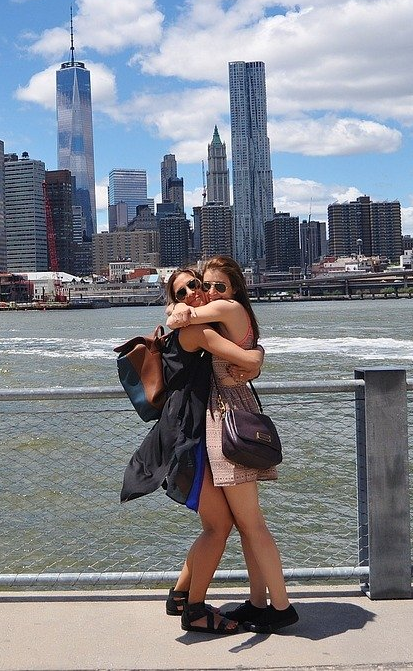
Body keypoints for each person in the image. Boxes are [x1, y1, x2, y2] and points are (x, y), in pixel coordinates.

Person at [166, 255, 298, 633]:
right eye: (202, 285)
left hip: (230, 417)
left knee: (251, 523)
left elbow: (185, 321)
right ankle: (258, 602)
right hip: (229, 414)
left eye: (214, 285)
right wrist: (256, 359)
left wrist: (178, 312)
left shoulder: (225, 308)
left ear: (234, 288)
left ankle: (281, 606)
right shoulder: (222, 315)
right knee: (244, 524)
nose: (207, 292)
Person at [156, 266, 262, 634]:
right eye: (181, 292)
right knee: (219, 527)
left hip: (189, 437)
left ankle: (181, 594)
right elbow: (250, 361)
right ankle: (196, 611)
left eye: (195, 285)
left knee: (214, 525)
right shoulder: (196, 331)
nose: (191, 294)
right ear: (175, 299)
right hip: (187, 442)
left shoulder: (192, 324)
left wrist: (177, 311)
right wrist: (257, 353)